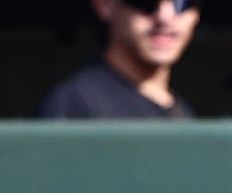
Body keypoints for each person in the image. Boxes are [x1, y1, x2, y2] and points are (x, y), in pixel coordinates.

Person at [39, 0, 199, 120]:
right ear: (104, 4)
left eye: (182, 2)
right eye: (147, 1)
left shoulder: (183, 113)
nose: (165, 16)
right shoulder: (75, 104)